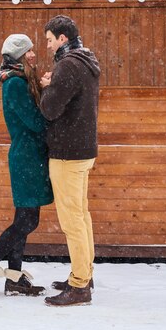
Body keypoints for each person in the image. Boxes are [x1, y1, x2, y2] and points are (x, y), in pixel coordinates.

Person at [0, 34, 53, 298]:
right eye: (28, 52)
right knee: (28, 220)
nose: (33, 55)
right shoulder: (15, 84)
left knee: (24, 220)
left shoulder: (21, 80)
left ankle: (14, 278)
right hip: (26, 156)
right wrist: (49, 96)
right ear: (18, 55)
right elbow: (35, 122)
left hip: (31, 156)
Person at [39, 15, 100, 307]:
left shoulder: (68, 65)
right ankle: (84, 273)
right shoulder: (86, 60)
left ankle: (79, 287)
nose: (48, 46)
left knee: (72, 220)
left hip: (67, 153)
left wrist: (47, 86)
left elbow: (50, 110)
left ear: (63, 38)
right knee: (82, 216)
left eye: (50, 40)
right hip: (83, 150)